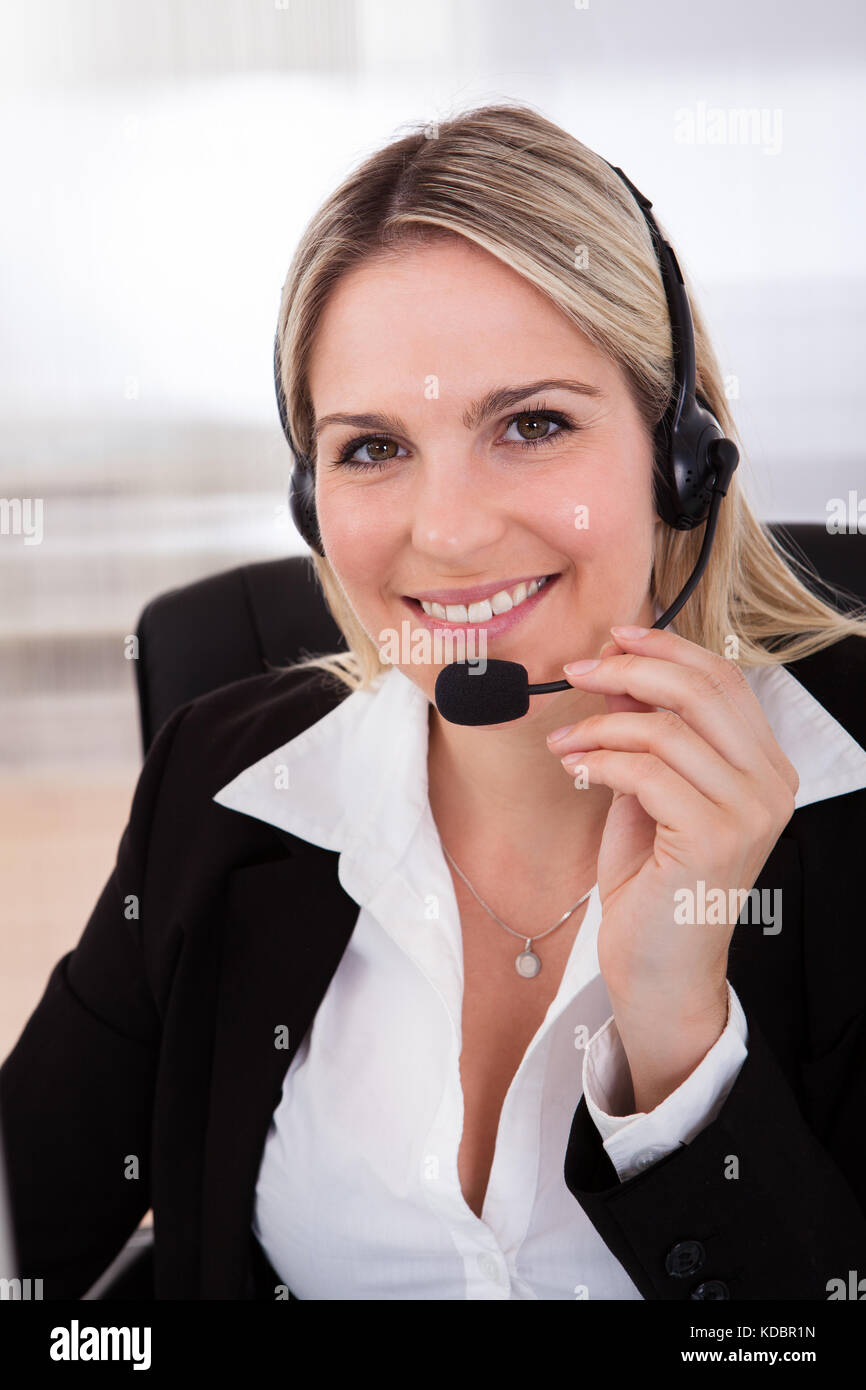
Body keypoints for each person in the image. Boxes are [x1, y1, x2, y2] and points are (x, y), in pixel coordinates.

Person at [2, 103, 866, 1302]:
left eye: (531, 424)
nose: (447, 531)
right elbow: (26, 1219)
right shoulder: (223, 789)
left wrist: (675, 1044)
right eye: (371, 448)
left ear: (680, 456)